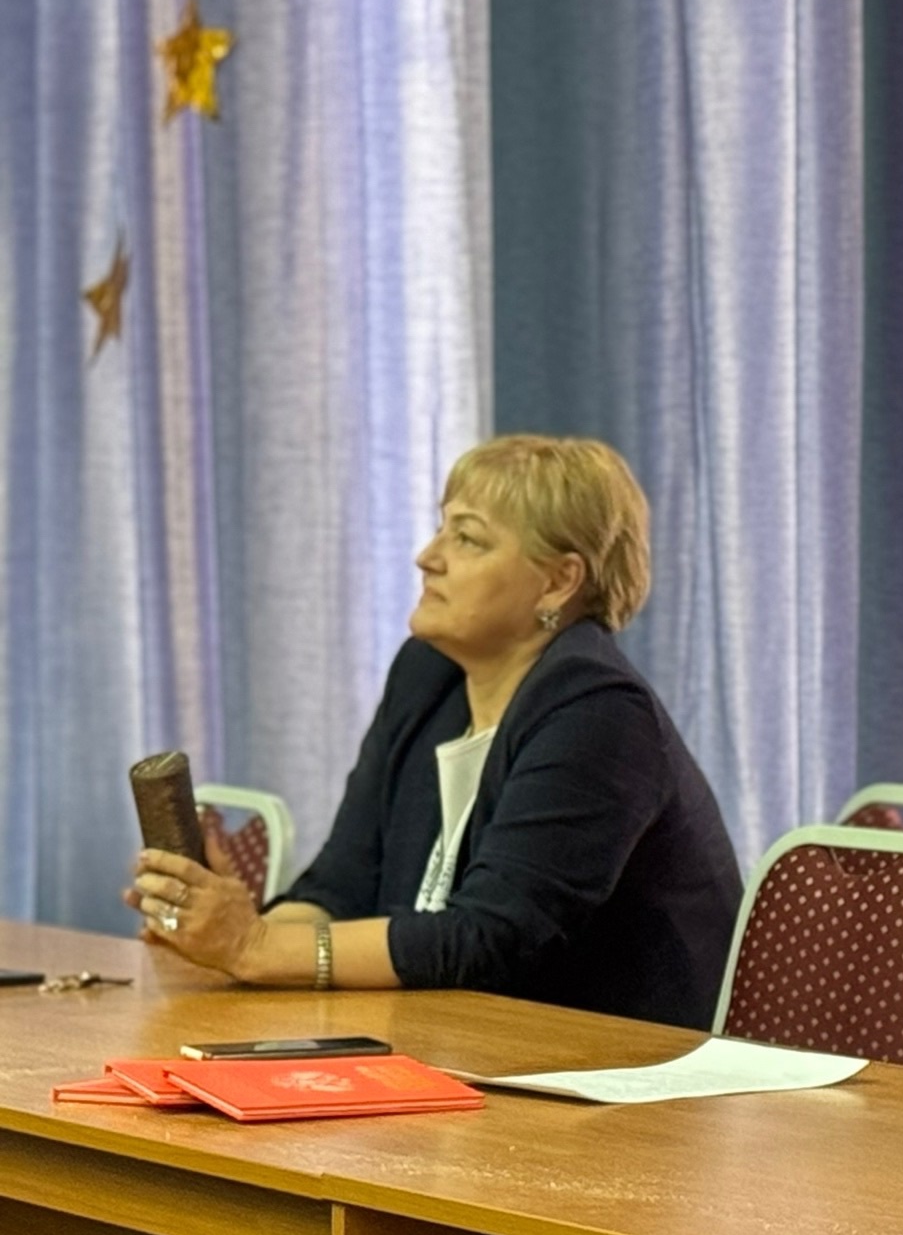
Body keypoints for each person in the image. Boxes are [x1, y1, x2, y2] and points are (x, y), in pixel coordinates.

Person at [123, 435, 743, 1029]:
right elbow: (342, 886)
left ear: (558, 582)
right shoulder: (429, 676)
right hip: (454, 1047)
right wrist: (218, 932)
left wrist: (256, 945)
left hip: (620, 1071)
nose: (428, 556)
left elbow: (492, 939)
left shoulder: (598, 710)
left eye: (467, 538)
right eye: (442, 527)